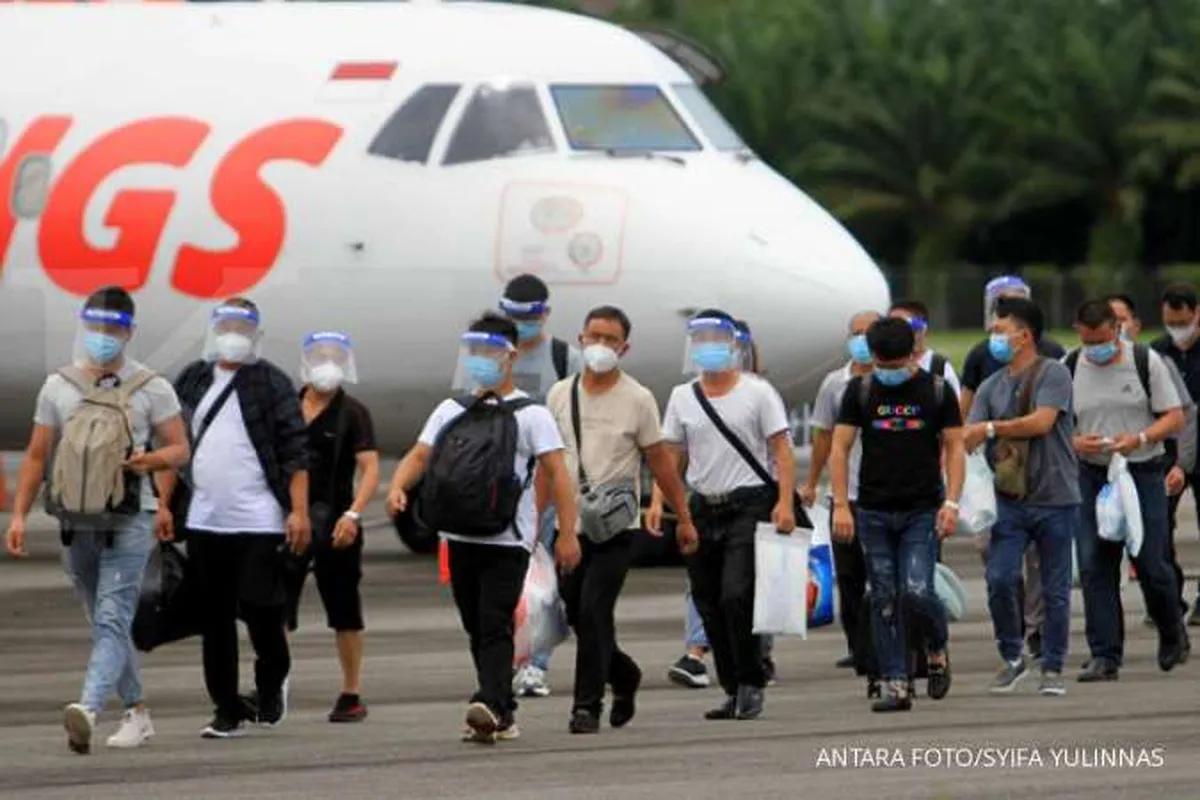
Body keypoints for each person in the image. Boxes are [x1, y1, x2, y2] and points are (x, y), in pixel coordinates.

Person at [4, 286, 189, 754]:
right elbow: (36, 455)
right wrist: (19, 516)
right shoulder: (59, 386)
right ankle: (137, 712)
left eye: (114, 328)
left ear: (129, 332)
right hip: (75, 519)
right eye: (97, 326)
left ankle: (87, 708)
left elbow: (180, 449)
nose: (104, 336)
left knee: (112, 614)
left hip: (128, 519)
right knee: (105, 619)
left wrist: (152, 466)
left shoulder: (153, 388)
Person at [384, 312, 581, 744]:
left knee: (493, 622)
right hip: (458, 535)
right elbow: (420, 454)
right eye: (474, 352)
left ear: (510, 357)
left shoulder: (532, 414)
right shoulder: (451, 409)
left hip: (508, 539)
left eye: (490, 352)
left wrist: (566, 533)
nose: (481, 361)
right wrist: (399, 486)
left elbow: (558, 474)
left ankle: (488, 701)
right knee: (475, 624)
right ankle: (503, 711)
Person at [155, 298, 312, 740]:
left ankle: (272, 680)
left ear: (255, 334)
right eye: (226, 325)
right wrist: (165, 503)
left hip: (260, 520)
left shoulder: (272, 384)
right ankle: (226, 707)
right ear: (213, 329)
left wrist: (298, 511)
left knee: (263, 611)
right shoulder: (193, 379)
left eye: (243, 326)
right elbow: (172, 445)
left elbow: (296, 453)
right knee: (215, 619)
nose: (233, 334)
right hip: (206, 519)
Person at [545, 305, 697, 734]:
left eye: (611, 339)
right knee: (576, 613)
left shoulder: (638, 399)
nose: (601, 345)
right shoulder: (559, 394)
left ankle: (585, 706)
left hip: (615, 527)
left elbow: (661, 463)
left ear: (624, 348)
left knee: (594, 610)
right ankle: (624, 673)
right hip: (569, 527)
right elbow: (549, 465)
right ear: (580, 339)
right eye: (594, 336)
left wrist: (682, 515)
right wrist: (535, 520)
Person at [660, 309, 796, 721]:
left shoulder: (758, 393)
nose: (708, 347)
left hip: (749, 503)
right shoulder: (683, 396)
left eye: (717, 338)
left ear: (735, 345)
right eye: (700, 339)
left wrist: (785, 502)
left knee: (736, 595)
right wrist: (661, 502)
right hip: (702, 504)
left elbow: (782, 449)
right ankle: (732, 688)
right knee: (707, 602)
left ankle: (752, 681)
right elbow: (672, 455)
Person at [830, 316, 963, 713]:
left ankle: (936, 645)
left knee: (917, 592)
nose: (886, 374)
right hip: (872, 509)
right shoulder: (861, 389)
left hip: (921, 510)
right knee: (884, 597)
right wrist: (840, 504)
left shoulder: (936, 391)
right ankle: (895, 681)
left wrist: (952, 502)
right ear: (872, 358)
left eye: (893, 366)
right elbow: (839, 448)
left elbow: (955, 447)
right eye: (880, 366)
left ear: (912, 355)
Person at [1065, 299, 1188, 683]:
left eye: (1101, 340)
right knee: (1094, 564)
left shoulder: (1144, 361)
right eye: (1088, 342)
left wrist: (1140, 437)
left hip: (1142, 471)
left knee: (1151, 562)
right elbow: (1055, 422)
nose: (1095, 349)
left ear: (1115, 329)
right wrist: (1074, 442)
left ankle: (1172, 630)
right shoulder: (1068, 366)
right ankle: (1104, 654)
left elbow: (1175, 416)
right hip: (1093, 474)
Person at [962, 297, 1078, 697]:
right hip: (1009, 499)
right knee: (1000, 578)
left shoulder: (1054, 375)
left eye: (1000, 329)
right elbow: (968, 434)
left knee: (1055, 588)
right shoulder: (991, 386)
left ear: (1024, 335)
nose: (994, 337)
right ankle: (1012, 655)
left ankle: (1053, 664)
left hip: (1055, 496)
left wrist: (992, 429)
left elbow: (1042, 422)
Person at [284, 331, 380, 723]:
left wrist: (353, 514)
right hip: (290, 520)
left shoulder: (352, 412)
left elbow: (370, 467)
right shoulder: (286, 408)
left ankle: (351, 690)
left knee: (344, 609)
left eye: (336, 357)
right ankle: (274, 685)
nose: (327, 364)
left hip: (337, 520)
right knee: (276, 605)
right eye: (319, 356)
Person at [499, 273, 582, 699]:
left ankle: (537, 663)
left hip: (548, 483)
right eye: (513, 316)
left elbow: (576, 424)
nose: (521, 324)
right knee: (508, 581)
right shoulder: (494, 355)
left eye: (528, 317)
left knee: (544, 579)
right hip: (501, 487)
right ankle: (507, 659)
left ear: (545, 314)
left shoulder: (565, 358)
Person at [1108, 295, 1195, 626]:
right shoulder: (1081, 365)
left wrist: (1181, 465)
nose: (1116, 328)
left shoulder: (1153, 361)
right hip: (1111, 468)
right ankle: (1111, 638)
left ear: (1135, 323)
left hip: (1160, 461)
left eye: (1121, 320)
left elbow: (1184, 416)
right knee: (1113, 550)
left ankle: (1170, 611)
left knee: (1154, 545)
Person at [802, 310, 880, 670]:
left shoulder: (893, 381)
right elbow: (823, 436)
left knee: (882, 574)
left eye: (869, 333)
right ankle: (858, 645)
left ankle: (886, 641)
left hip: (882, 494)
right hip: (844, 495)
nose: (862, 340)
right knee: (849, 576)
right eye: (856, 333)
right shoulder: (835, 384)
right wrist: (812, 481)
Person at [1149, 283, 1200, 627]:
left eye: (1182, 321)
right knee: (1159, 528)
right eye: (1171, 321)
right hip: (1168, 453)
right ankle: (1171, 596)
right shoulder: (1155, 353)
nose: (1177, 328)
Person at [887, 299, 962, 396]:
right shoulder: (883, 364)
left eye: (899, 326)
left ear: (922, 328)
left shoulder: (939, 367)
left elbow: (956, 406)